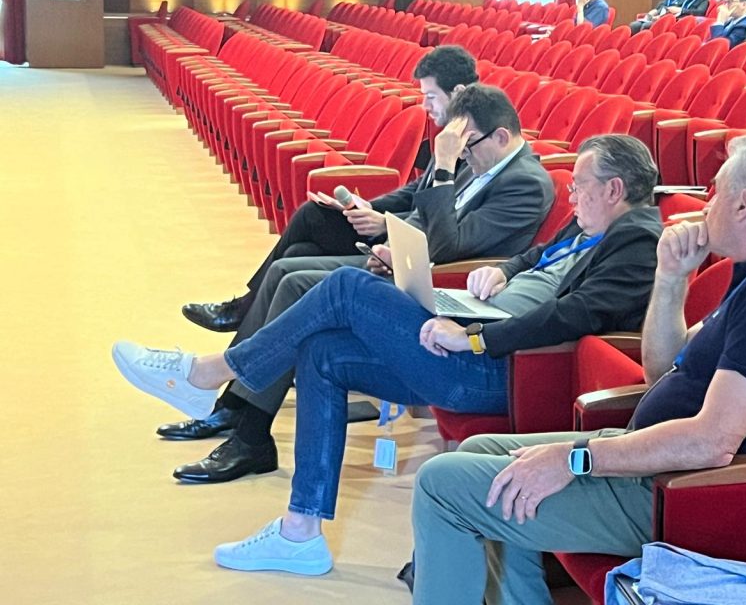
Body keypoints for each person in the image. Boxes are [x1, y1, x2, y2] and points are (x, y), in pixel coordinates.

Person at [112, 134, 665, 575]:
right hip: (477, 330)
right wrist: (502, 271)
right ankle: (301, 532)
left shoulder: (638, 240)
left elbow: (576, 315)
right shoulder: (594, 223)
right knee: (323, 352)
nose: (572, 196)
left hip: (502, 367)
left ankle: (210, 374)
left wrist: (474, 337)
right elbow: (538, 255)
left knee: (345, 289)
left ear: (614, 189)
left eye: (581, 187)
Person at [408, 133, 746, 605]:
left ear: (743, 204)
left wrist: (575, 458)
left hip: (683, 492)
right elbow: (661, 371)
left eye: (717, 191)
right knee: (480, 450)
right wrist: (671, 277)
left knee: (441, 484)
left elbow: (712, 441)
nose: (707, 205)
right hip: (655, 461)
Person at [156, 84, 556, 483]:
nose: (464, 155)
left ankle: (249, 432)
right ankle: (235, 407)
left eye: (469, 147)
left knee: (295, 284)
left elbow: (451, 246)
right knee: (291, 263)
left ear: (500, 137)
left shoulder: (525, 183)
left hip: (447, 290)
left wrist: (446, 166)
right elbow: (423, 216)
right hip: (409, 266)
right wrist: (392, 243)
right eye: (460, 150)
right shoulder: (480, 160)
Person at [181, 44, 480, 335]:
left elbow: (444, 219)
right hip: (395, 230)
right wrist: (370, 207)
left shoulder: (477, 145)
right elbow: (418, 189)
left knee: (304, 232)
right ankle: (253, 331)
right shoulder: (451, 134)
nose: (425, 106)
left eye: (431, 97)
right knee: (303, 242)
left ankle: (242, 317)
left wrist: (386, 222)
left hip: (406, 249)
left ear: (458, 93)